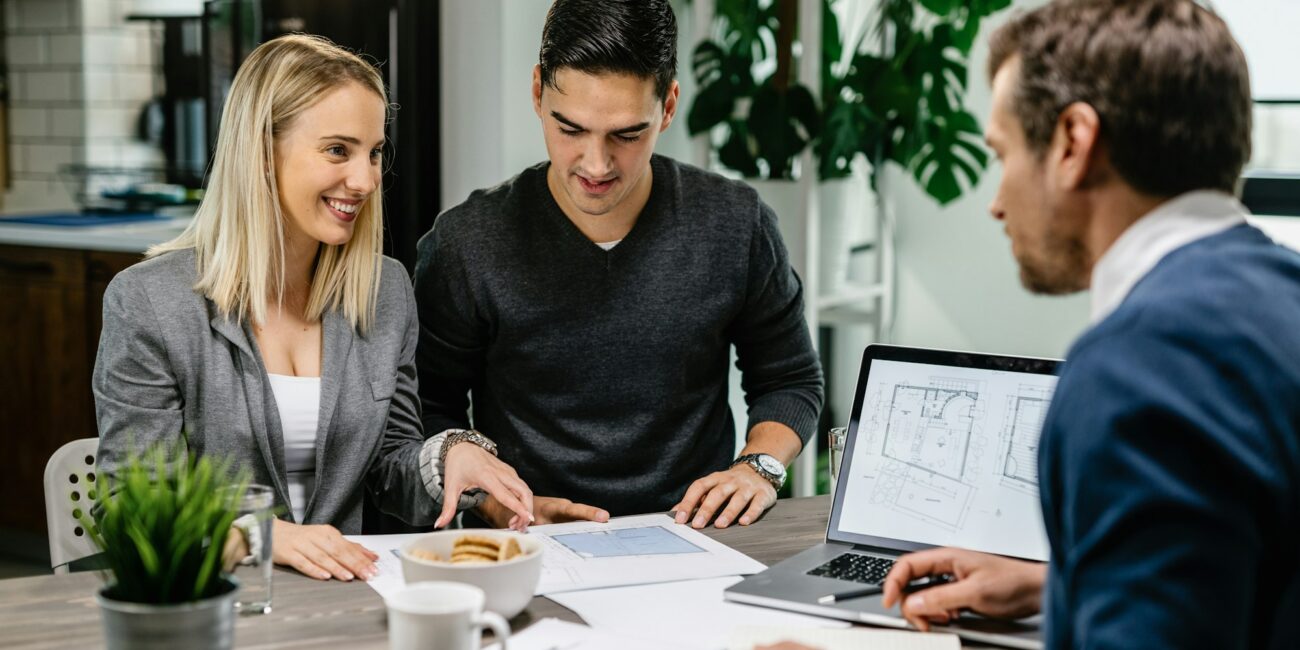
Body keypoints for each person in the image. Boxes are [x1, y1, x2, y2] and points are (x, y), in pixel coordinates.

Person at [873, 1, 1300, 648]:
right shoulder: (1281, 297)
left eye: (1002, 153)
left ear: (1072, 143)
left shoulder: (1139, 368)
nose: (995, 202)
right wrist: (1064, 582)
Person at [93, 35, 534, 583]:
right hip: (216, 604)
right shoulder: (150, 303)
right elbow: (132, 511)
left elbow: (388, 464)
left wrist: (447, 458)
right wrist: (260, 534)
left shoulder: (385, 290)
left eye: (374, 152)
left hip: (350, 601)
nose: (367, 179)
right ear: (260, 152)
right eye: (337, 150)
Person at [414, 0, 823, 529]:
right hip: (528, 544)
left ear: (669, 106)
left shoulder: (735, 224)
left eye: (626, 135)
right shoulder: (467, 243)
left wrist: (757, 468)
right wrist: (492, 500)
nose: (596, 164)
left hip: (699, 539)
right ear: (538, 93)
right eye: (571, 129)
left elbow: (790, 380)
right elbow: (426, 408)